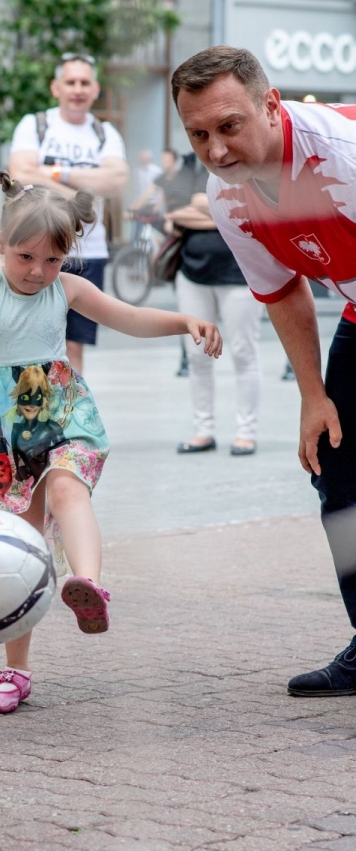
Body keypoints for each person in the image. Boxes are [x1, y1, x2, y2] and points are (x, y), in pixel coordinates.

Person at [0, 171, 222, 714]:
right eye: (25, 257)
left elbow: (128, 317)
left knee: (67, 490)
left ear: (67, 255)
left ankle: (87, 585)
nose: (38, 271)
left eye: (52, 259)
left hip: (58, 410)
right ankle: (15, 670)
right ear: (2, 244)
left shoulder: (67, 289)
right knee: (20, 543)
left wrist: (183, 321)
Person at [172, 44, 356, 696]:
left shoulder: (342, 156)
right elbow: (281, 291)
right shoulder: (227, 195)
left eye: (229, 126)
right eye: (198, 135)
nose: (216, 150)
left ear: (270, 106)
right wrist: (312, 396)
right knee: (336, 470)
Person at [8, 52, 128, 374]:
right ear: (56, 87)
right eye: (70, 82)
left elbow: (116, 180)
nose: (77, 89)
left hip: (88, 251)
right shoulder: (35, 125)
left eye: (84, 83)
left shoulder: (105, 133)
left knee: (74, 343)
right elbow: (21, 172)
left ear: (95, 89)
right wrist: (77, 195)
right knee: (31, 336)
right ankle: (31, 400)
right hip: (36, 249)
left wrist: (56, 172)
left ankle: (72, 402)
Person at [165, 192, 262, 455]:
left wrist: (203, 213)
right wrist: (225, 219)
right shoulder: (196, 174)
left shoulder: (247, 179)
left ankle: (246, 432)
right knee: (197, 355)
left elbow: (254, 216)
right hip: (192, 275)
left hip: (241, 276)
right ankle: (203, 430)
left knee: (244, 353)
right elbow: (173, 216)